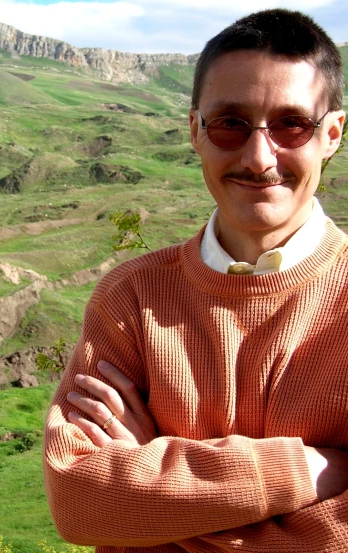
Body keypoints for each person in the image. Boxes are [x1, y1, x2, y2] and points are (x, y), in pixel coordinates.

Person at [43, 8, 348, 552]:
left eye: (290, 124)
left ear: (331, 134)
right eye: (231, 123)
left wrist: (154, 484)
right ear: (194, 131)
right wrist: (305, 472)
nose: (259, 158)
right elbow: (78, 500)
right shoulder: (130, 300)